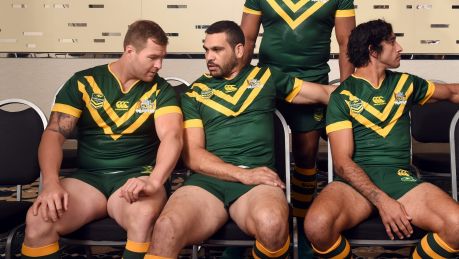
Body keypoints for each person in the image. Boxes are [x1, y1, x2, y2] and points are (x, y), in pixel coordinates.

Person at [144, 20, 335, 259]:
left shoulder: (266, 77)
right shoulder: (194, 93)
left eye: (217, 50)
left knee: (273, 224)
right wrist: (241, 174)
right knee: (165, 227)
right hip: (209, 182)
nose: (209, 57)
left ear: (239, 50)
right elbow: (192, 154)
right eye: (206, 50)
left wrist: (369, 92)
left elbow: (323, 93)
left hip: (258, 182)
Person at [21, 20, 183, 259]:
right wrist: (52, 183)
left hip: (137, 176)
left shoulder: (162, 91)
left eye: (163, 58)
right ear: (130, 51)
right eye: (153, 57)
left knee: (143, 217)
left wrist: (154, 181)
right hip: (89, 180)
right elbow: (54, 135)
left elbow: (172, 136)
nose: (159, 65)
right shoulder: (84, 83)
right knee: (38, 219)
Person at [304, 19, 459, 258]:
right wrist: (382, 200)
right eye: (392, 41)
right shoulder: (343, 97)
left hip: (401, 179)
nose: (400, 47)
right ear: (373, 50)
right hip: (355, 183)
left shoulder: (405, 84)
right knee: (317, 226)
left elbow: (451, 91)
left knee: (457, 225)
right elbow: (343, 163)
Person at [240, 2, 356, 257]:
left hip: (312, 82)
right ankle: (255, 231)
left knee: (306, 157)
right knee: (260, 156)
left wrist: (347, 91)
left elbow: (346, 41)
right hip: (267, 81)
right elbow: (246, 38)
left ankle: (303, 227)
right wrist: (240, 80)